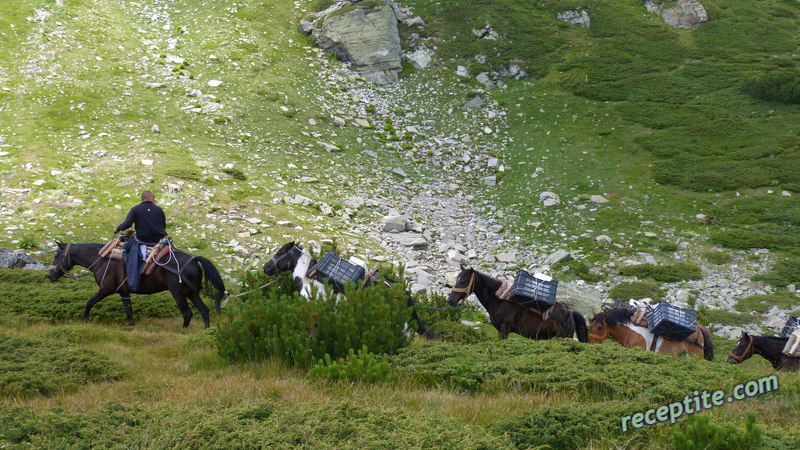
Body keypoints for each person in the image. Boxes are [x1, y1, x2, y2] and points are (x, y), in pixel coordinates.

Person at [114, 190, 167, 291]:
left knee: (128, 249)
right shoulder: (159, 209)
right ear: (149, 198)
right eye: (154, 197)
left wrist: (117, 229)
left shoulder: (135, 209)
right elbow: (163, 226)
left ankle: (132, 281)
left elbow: (127, 224)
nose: (154, 199)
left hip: (143, 240)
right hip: (158, 240)